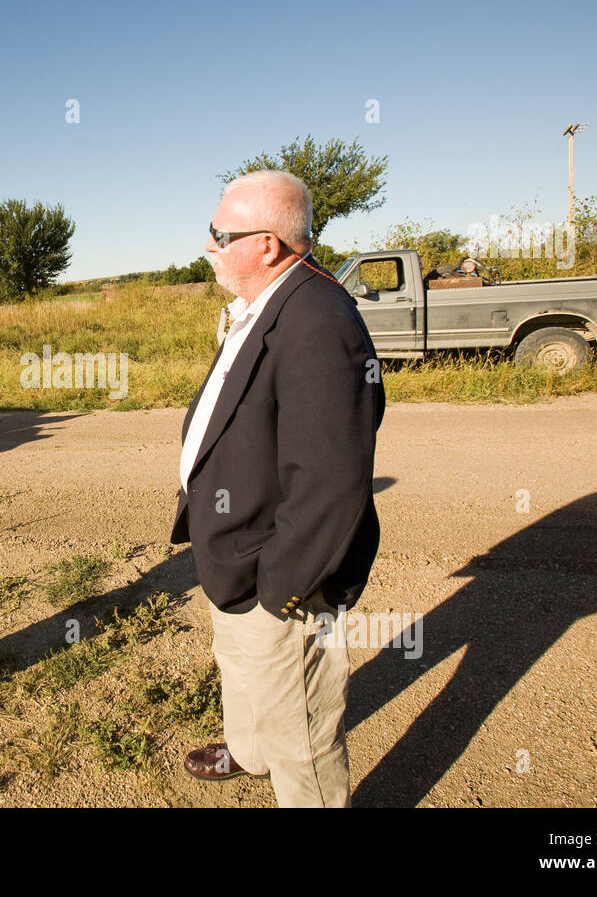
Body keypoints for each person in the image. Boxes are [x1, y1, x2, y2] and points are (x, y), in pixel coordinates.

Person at [170, 170, 385, 807]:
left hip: (278, 573)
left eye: (219, 233)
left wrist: (284, 587)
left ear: (266, 244)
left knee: (303, 731)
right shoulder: (265, 300)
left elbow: (330, 482)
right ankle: (249, 752)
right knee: (240, 667)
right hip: (234, 551)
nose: (207, 244)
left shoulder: (319, 320)